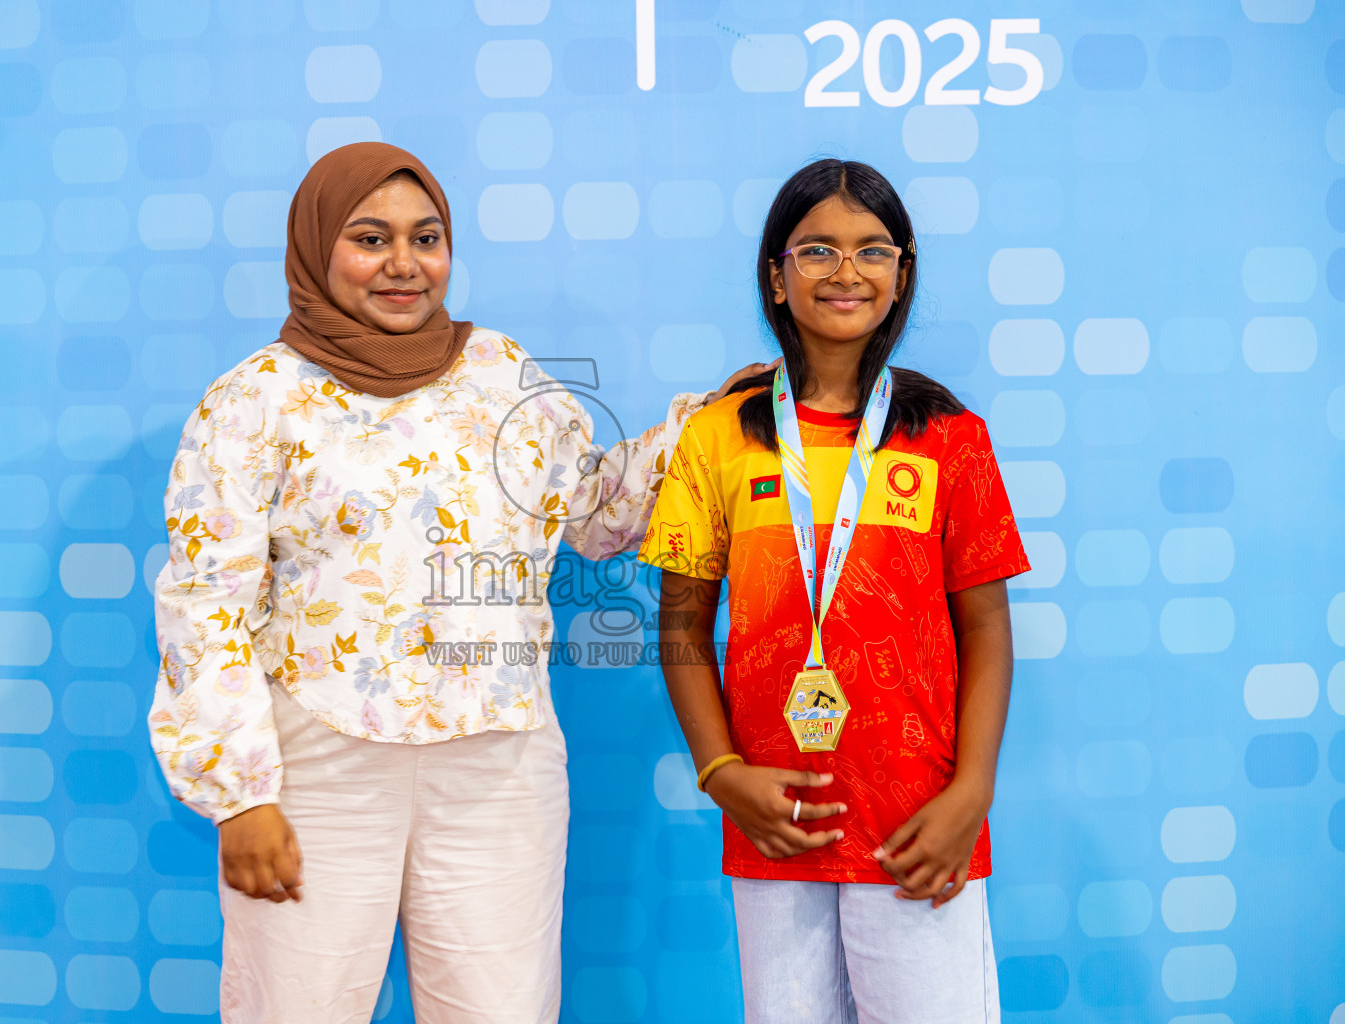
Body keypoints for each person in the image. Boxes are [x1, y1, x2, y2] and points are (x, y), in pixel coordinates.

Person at [147, 141, 769, 1024]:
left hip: (501, 759)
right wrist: (240, 794)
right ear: (317, 247)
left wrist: (703, 424)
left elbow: (593, 512)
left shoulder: (500, 373)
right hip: (318, 763)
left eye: (426, 237)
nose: (404, 263)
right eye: (370, 237)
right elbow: (205, 606)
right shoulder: (255, 400)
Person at [638, 159, 1029, 1023]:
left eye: (872, 251)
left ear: (903, 275)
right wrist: (720, 771)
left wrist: (971, 794)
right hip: (778, 818)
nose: (845, 273)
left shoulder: (950, 437)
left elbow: (988, 630)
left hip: (920, 825)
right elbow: (681, 626)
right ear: (776, 277)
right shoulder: (718, 437)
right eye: (816, 250)